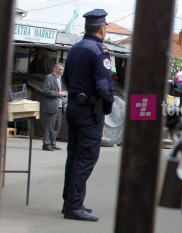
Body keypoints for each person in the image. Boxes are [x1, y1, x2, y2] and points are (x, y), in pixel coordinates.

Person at [61, 9, 114, 222]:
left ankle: (70, 202)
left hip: (73, 106)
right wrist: (107, 106)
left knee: (74, 156)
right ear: (102, 29)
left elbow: (66, 78)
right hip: (89, 110)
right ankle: (74, 206)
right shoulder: (99, 51)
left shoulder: (75, 48)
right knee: (85, 157)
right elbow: (104, 86)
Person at [41, 63, 67, 151]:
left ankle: (53, 143)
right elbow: (46, 91)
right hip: (52, 105)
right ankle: (46, 144)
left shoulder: (60, 78)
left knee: (57, 126)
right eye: (60, 69)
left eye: (62, 70)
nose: (61, 71)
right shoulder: (49, 77)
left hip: (60, 105)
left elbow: (61, 89)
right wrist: (58, 93)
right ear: (54, 69)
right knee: (50, 126)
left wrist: (64, 92)